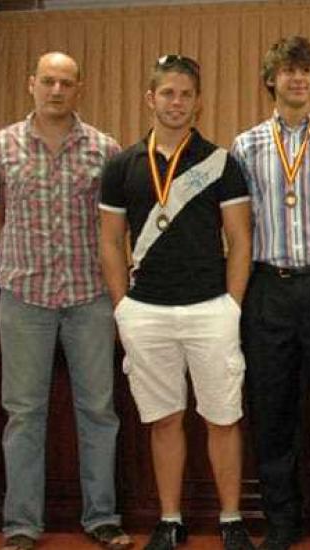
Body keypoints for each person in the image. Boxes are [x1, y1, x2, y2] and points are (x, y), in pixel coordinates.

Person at [99, 54, 254, 550]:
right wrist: (123, 304)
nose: (177, 102)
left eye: (186, 94)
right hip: (146, 312)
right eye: (168, 93)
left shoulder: (221, 162)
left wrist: (231, 304)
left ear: (198, 101)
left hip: (210, 308)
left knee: (223, 418)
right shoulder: (122, 164)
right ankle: (170, 519)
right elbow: (109, 240)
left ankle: (231, 519)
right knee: (164, 418)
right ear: (151, 98)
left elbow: (241, 239)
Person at [0, 51, 132, 550]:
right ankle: (22, 524)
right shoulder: (0, 146)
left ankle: (101, 516)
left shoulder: (104, 149)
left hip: (90, 296)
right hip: (25, 298)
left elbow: (114, 225)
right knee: (23, 412)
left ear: (79, 89)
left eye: (66, 82)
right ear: (32, 85)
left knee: (99, 410)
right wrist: (23, 262)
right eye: (48, 81)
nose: (57, 90)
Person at [230, 36, 310, 550]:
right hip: (270, 288)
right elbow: (239, 226)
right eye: (287, 71)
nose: (297, 79)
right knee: (272, 411)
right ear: (271, 79)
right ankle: (282, 522)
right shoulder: (244, 146)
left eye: (305, 70)